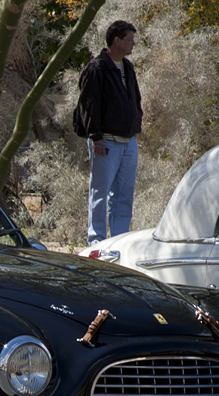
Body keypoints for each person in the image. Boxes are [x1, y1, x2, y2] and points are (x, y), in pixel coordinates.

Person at [75, 20, 143, 245]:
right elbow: (89, 105)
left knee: (124, 196)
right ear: (117, 41)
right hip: (106, 143)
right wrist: (96, 138)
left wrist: (135, 123)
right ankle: (96, 242)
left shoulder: (128, 67)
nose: (134, 43)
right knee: (100, 194)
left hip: (128, 142)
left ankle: (120, 241)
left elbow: (135, 99)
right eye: (130, 39)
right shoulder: (97, 68)